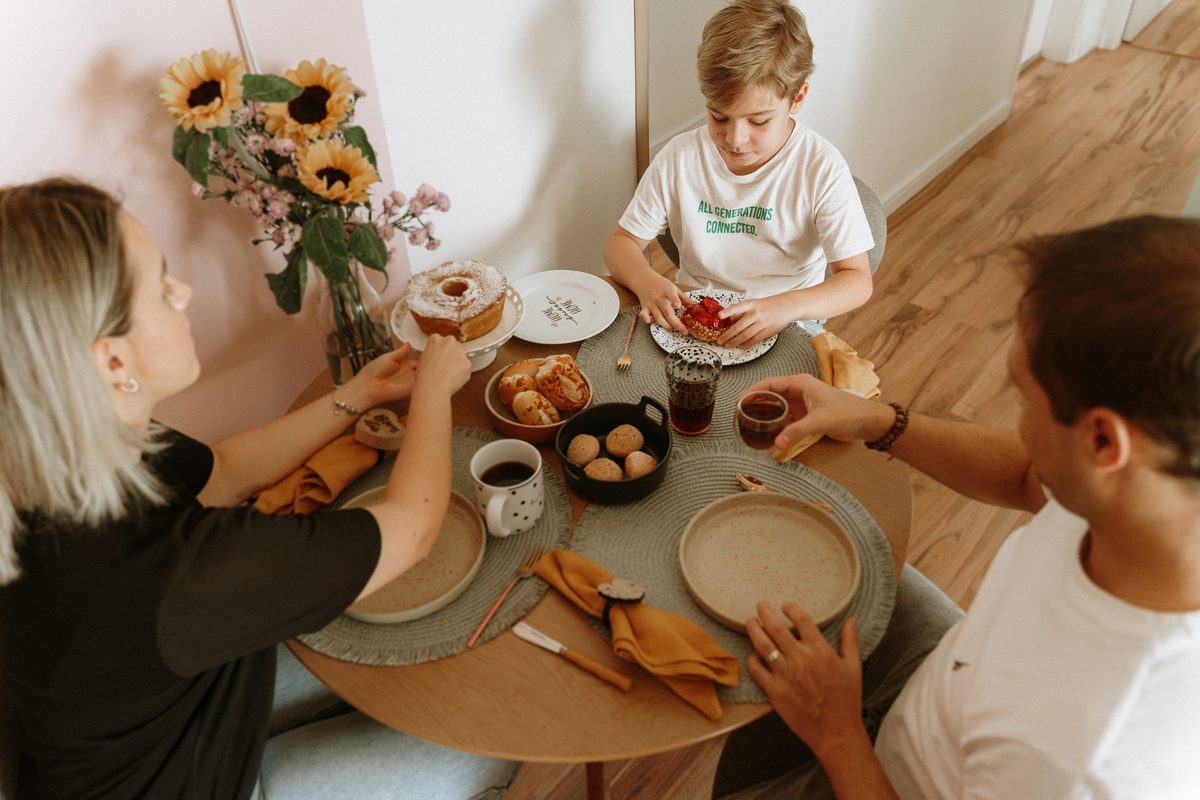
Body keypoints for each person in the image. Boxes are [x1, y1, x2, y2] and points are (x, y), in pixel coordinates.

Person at [0, 179, 520, 800]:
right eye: (163, 286)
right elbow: (412, 530)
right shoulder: (152, 578)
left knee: (409, 659)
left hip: (173, 702)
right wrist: (437, 389)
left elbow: (222, 472)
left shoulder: (64, 446)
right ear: (112, 361)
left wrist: (358, 397)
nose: (184, 291)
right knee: (487, 728)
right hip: (204, 780)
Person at [712, 216, 1200, 799]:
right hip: (955, 678)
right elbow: (1027, 475)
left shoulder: (1079, 761)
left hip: (892, 776)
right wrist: (874, 419)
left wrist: (836, 732)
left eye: (1022, 395)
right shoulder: (1154, 487)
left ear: (1102, 442)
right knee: (810, 558)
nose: (1016, 417)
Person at [604, 0, 875, 349]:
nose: (734, 139)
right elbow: (620, 244)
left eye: (759, 121)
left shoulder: (820, 167)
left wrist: (786, 306)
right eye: (719, 117)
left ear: (797, 98)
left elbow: (856, 280)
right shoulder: (680, 158)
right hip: (694, 316)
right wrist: (646, 281)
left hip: (787, 322)